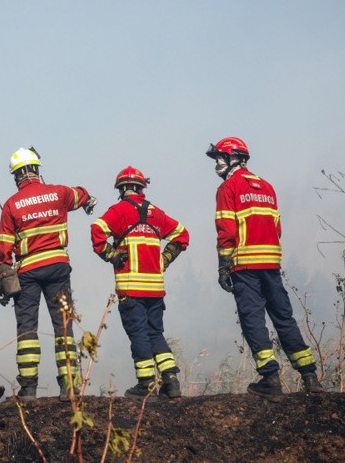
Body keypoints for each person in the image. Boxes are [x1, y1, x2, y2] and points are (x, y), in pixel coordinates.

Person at [205, 137, 324, 396]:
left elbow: (226, 229)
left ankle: (270, 378)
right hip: (271, 264)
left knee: (253, 319)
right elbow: (276, 227)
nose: (217, 163)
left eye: (220, 158)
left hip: (245, 266)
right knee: (284, 318)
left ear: (234, 158)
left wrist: (223, 265)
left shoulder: (228, 188)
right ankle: (310, 376)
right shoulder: (267, 187)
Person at [0, 147, 97, 400]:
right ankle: (69, 386)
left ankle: (28, 388)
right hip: (57, 267)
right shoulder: (59, 193)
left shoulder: (12, 204)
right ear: (37, 169)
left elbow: (4, 247)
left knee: (27, 329)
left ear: (16, 175)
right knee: (63, 325)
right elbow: (81, 194)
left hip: (27, 271)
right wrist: (87, 200)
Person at [90, 166, 189, 399]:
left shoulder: (119, 211)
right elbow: (182, 235)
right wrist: (164, 259)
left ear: (121, 189)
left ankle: (146, 385)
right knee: (156, 333)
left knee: (139, 335)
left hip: (131, 288)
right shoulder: (157, 213)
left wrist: (112, 255)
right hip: (155, 288)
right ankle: (171, 382)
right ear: (142, 187)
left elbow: (97, 230)